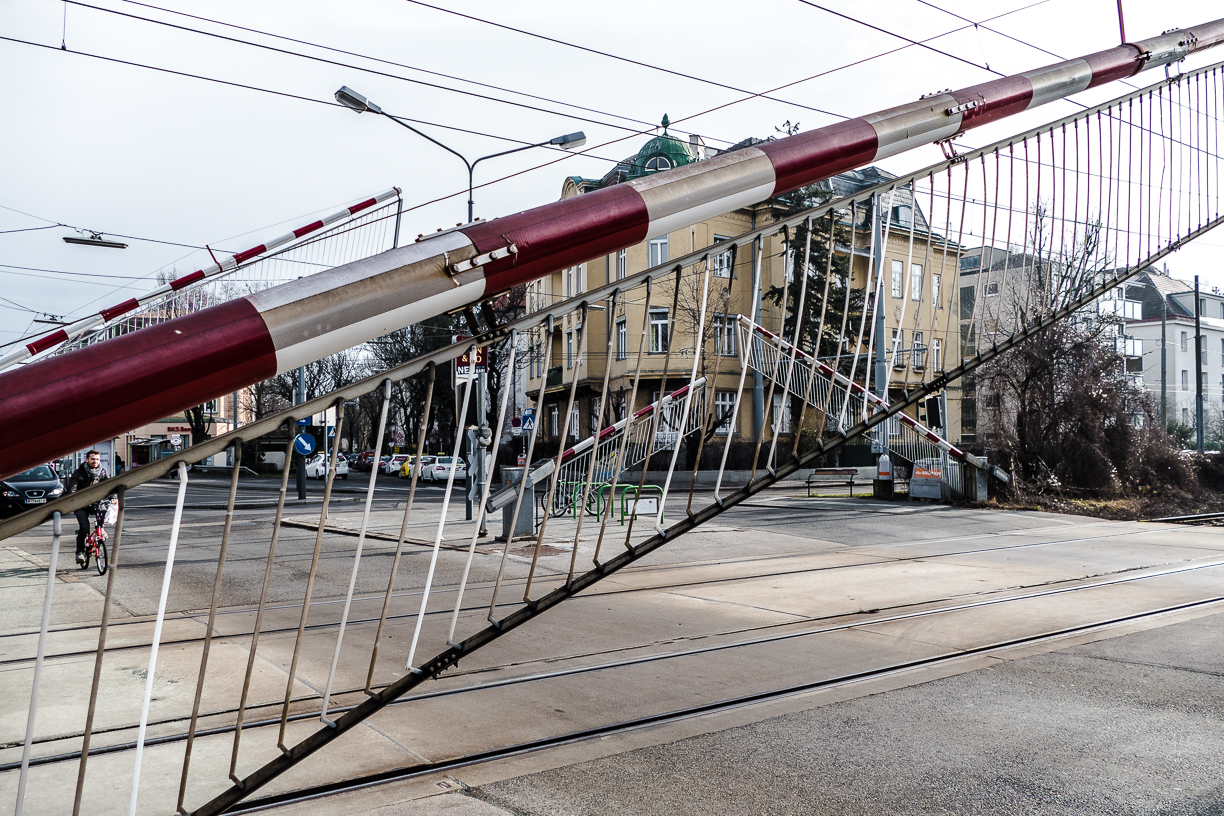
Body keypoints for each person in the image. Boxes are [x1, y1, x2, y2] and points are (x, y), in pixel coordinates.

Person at [65, 450, 111, 567]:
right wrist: (72, 497)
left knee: (102, 509)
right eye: (92, 459)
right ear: (87, 460)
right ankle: (80, 552)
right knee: (84, 527)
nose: (95, 461)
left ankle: (101, 529)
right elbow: (72, 487)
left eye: (97, 459)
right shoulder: (79, 472)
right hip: (81, 505)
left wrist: (113, 496)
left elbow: (110, 485)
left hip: (96, 503)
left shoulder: (102, 472)